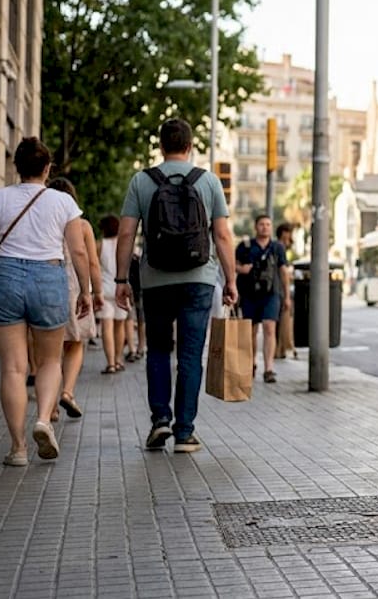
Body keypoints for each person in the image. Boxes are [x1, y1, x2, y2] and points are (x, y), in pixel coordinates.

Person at [115, 118, 237, 454]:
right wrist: (231, 279)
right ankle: (185, 432)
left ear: (161, 145)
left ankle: (160, 421)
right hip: (198, 280)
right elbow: (223, 235)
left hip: (155, 281)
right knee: (189, 356)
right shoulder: (208, 181)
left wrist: (122, 279)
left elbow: (126, 234)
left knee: (157, 350)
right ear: (190, 146)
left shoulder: (142, 181)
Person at [0, 138, 91, 466]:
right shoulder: (62, 203)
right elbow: (78, 250)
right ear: (47, 168)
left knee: (13, 367)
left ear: (17, 167)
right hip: (49, 278)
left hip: (6, 278)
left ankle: (18, 449)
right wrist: (85, 290)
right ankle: (43, 418)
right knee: (51, 361)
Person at [46, 178, 102, 419]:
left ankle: (51, 406)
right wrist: (96, 292)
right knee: (76, 343)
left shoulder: (44, 222)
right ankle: (67, 393)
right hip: (77, 289)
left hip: (50, 284)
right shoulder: (83, 226)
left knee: (51, 349)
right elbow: (92, 262)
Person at [235, 214, 290, 383]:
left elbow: (283, 271)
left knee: (269, 328)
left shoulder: (277, 247)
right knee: (251, 331)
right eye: (261, 224)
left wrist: (287, 296)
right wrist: (240, 269)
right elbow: (231, 264)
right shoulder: (245, 246)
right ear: (255, 227)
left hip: (271, 294)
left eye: (268, 224)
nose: (265, 227)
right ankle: (251, 363)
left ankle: (269, 368)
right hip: (249, 294)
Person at [97, 215, 128, 373]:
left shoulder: (100, 245)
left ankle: (110, 363)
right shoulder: (124, 245)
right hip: (121, 289)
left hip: (105, 289)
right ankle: (118, 359)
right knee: (119, 326)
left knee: (106, 327)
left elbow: (95, 268)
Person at [274, 222, 297, 360]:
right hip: (280, 289)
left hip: (278, 288)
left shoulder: (278, 246)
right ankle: (280, 349)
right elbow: (283, 272)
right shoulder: (279, 247)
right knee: (281, 320)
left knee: (279, 321)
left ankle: (281, 349)